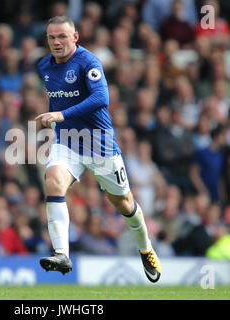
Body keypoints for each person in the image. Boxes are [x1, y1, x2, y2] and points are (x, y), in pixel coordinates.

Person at [34, 16, 161, 282]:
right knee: (53, 180)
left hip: (99, 145)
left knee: (124, 204)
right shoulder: (44, 66)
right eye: (51, 37)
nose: (56, 42)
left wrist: (61, 115)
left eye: (62, 37)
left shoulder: (88, 62)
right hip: (67, 141)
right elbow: (59, 99)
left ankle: (146, 248)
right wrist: (57, 119)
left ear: (75, 38)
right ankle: (61, 254)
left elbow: (101, 98)